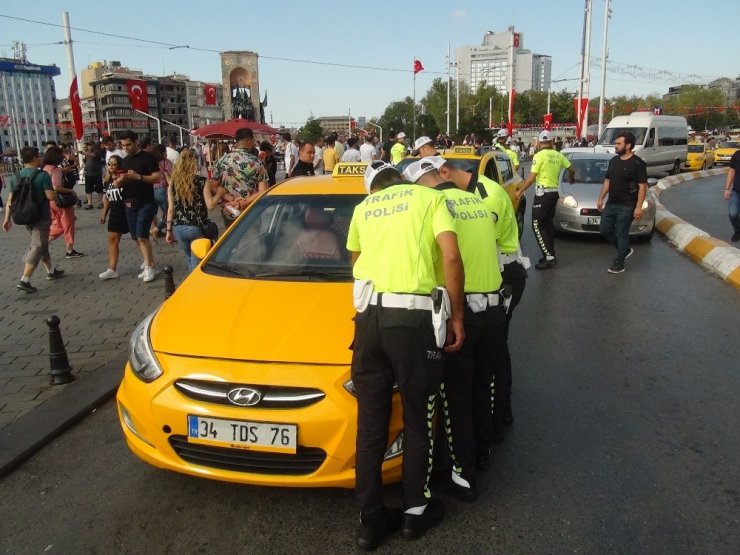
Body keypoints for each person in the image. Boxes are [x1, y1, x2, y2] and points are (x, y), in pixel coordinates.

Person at [347, 161, 465, 550]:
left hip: (368, 320)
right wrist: (456, 316)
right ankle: (416, 510)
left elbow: (355, 262)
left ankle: (370, 519)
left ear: (375, 188)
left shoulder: (365, 208)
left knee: (370, 424)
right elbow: (450, 256)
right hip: (411, 321)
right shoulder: (429, 198)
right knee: (418, 414)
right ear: (402, 180)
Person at [403, 156, 506, 501]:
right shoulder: (473, 200)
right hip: (493, 307)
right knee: (480, 386)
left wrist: (452, 316)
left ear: (421, 184)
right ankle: (479, 453)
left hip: (464, 308)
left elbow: (446, 259)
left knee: (454, 396)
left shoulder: (435, 205)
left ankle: (462, 475)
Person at [437, 156, 528, 448]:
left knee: (494, 352)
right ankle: (496, 415)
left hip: (504, 273)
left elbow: (475, 245)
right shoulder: (471, 194)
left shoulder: (486, 196)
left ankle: (498, 418)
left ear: (446, 172)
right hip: (492, 274)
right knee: (492, 351)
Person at [2, 146, 64, 292]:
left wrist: (6, 219)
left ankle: (51, 271)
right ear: (35, 158)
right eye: (39, 156)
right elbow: (50, 197)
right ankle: (25, 279)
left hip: (24, 216)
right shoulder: (42, 176)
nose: (41, 158)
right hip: (40, 216)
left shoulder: (16, 176)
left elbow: (10, 200)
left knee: (41, 243)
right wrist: (55, 193)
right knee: (38, 246)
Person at [516, 130, 575, 269]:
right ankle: (549, 253)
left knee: (537, 225)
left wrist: (520, 191)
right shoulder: (558, 155)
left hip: (543, 194)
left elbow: (531, 178)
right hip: (554, 193)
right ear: (552, 141)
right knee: (547, 224)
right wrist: (572, 178)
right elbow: (572, 168)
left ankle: (549, 256)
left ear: (539, 143)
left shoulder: (539, 155)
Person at [596, 131, 648, 274]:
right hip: (612, 203)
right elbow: (608, 180)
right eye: (616, 143)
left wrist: (638, 207)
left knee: (621, 232)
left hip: (628, 205)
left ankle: (619, 264)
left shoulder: (638, 163)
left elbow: (643, 186)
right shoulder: (614, 161)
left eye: (619, 143)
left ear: (628, 145)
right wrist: (601, 198)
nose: (616, 146)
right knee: (605, 229)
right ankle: (624, 249)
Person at [114, 130, 161, 283]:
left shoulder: (148, 158)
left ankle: (149, 267)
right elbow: (124, 177)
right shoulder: (125, 160)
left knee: (142, 235)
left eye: (128, 144)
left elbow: (157, 177)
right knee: (136, 237)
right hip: (128, 202)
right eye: (122, 145)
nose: (125, 148)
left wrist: (138, 177)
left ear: (136, 142)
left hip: (145, 202)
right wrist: (120, 181)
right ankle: (151, 263)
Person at [208, 127, 268, 227]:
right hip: (250, 209)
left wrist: (229, 198)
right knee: (252, 241)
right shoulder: (257, 163)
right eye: (253, 140)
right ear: (249, 140)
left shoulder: (223, 160)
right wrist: (243, 203)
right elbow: (263, 191)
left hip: (229, 209)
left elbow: (213, 186)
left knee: (231, 240)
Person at [165, 149, 214, 273]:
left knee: (189, 259)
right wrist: (220, 193)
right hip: (196, 227)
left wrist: (168, 231)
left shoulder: (173, 183)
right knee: (197, 263)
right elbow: (210, 204)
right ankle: (194, 287)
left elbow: (170, 209)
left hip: (178, 228)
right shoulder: (202, 181)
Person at [44, 146, 83, 258]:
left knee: (58, 225)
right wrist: (71, 191)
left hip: (50, 201)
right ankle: (69, 250)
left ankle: (43, 243)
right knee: (68, 225)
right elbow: (57, 187)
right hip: (60, 201)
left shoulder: (45, 168)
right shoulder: (56, 170)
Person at [98, 155, 128, 280]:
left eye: (114, 164)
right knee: (112, 240)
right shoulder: (107, 180)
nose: (111, 166)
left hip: (127, 210)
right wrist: (104, 214)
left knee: (139, 239)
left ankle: (149, 263)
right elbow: (107, 199)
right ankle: (112, 269)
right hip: (115, 213)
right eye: (109, 164)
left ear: (119, 165)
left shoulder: (124, 178)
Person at [150, 144, 172, 239]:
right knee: (170, 213)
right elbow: (172, 175)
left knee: (165, 211)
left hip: (153, 190)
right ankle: (156, 229)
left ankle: (164, 230)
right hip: (163, 190)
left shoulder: (152, 163)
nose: (166, 153)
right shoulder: (166, 162)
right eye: (165, 152)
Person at [724, 148, 740, 242]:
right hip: (736, 191)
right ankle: (737, 230)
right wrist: (727, 189)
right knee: (733, 214)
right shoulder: (737, 154)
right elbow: (731, 171)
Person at [82, 142, 105, 210]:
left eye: (90, 145)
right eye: (88, 145)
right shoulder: (87, 153)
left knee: (99, 189)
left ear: (94, 145)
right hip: (88, 174)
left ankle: (101, 203)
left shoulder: (97, 151)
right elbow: (86, 162)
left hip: (97, 174)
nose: (89, 146)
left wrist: (81, 152)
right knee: (88, 189)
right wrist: (84, 170)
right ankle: (90, 204)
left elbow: (92, 155)